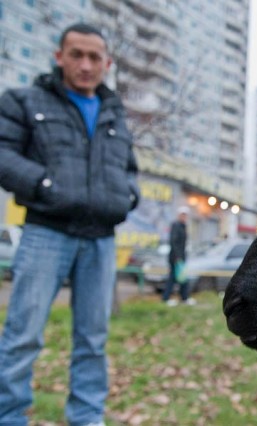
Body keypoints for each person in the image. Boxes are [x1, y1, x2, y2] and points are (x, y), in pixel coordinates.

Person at [0, 23, 139, 426]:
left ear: (107, 63)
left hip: (101, 239)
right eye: (76, 54)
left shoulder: (115, 114)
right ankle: (8, 417)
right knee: (23, 335)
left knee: (93, 341)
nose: (85, 64)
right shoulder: (26, 101)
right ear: (59, 56)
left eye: (94, 57)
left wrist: (127, 196)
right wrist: (45, 184)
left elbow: (129, 168)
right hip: (46, 232)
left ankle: (87, 418)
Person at [162, 206, 195, 306]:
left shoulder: (183, 226)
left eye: (185, 215)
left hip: (180, 256)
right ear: (179, 215)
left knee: (182, 278)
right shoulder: (176, 225)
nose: (184, 217)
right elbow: (174, 242)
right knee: (173, 278)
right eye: (182, 214)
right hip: (176, 258)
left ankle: (184, 297)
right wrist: (178, 257)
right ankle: (167, 298)